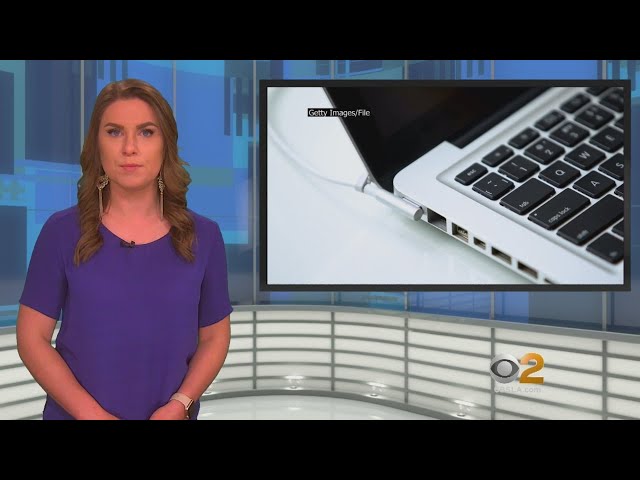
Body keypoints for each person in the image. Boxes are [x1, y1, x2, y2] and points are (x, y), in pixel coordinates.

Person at [16, 78, 233, 420]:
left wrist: (181, 402)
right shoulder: (61, 232)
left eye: (146, 132)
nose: (129, 148)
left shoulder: (204, 236)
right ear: (97, 145)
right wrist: (92, 416)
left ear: (165, 144)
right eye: (114, 132)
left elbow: (215, 338)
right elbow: (32, 338)